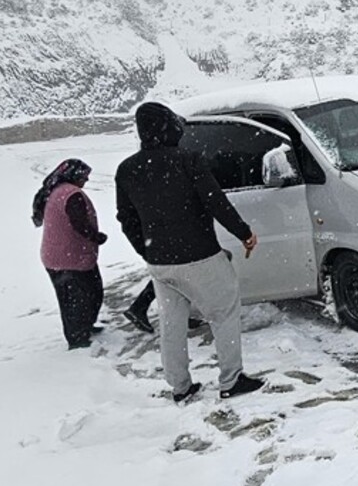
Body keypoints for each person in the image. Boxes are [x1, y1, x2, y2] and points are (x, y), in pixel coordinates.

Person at [114, 101, 263, 404]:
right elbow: (216, 203)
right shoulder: (188, 160)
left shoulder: (127, 169)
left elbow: (126, 219)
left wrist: (147, 252)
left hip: (160, 263)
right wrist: (244, 233)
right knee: (224, 313)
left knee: (172, 322)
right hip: (201, 257)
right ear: (168, 127)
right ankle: (231, 380)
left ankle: (180, 387)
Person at [32, 158, 107, 350]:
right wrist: (96, 237)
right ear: (74, 175)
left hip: (62, 256)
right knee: (78, 299)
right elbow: (79, 224)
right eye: (84, 176)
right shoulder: (71, 194)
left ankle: (83, 327)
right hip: (68, 258)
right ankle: (77, 339)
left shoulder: (58, 190)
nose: (86, 181)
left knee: (85, 294)